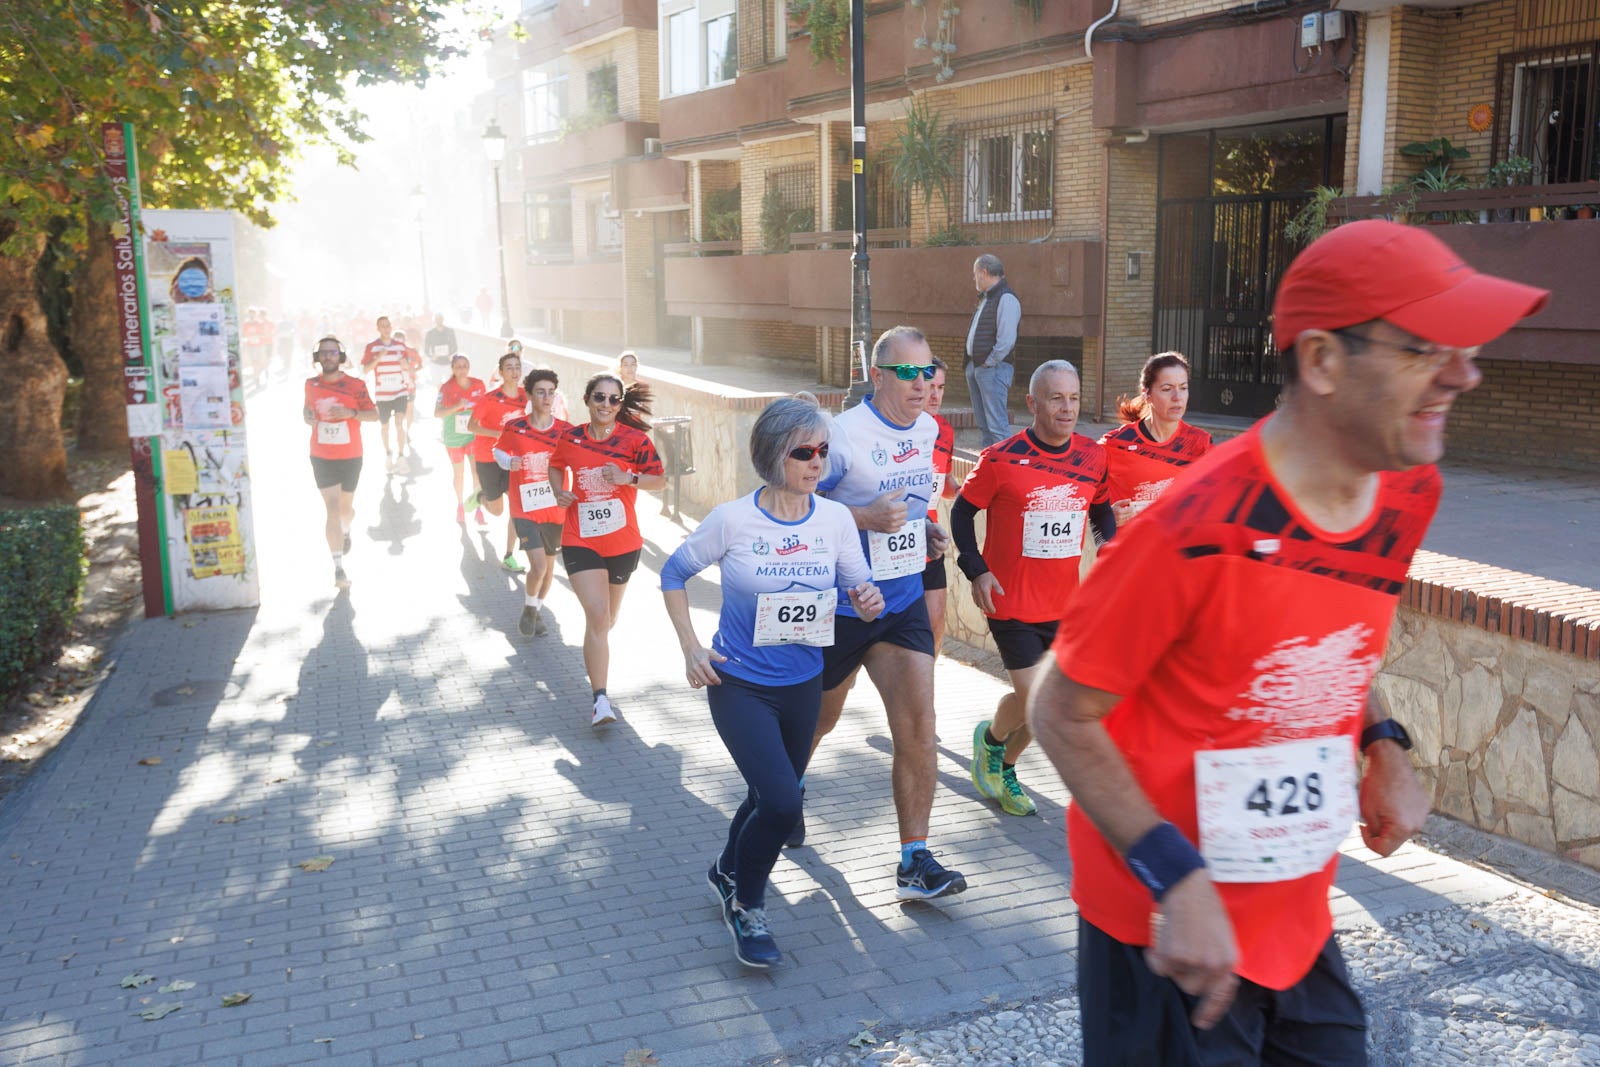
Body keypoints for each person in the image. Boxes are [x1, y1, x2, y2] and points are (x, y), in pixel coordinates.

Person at [1027, 219, 1548, 1065]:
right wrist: (1176, 873)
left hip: (1293, 913)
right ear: (1322, 361)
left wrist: (1385, 746)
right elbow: (1060, 710)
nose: (1464, 374)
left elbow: (1335, 633)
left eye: (1463, 347)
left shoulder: (1408, 488)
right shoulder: (1188, 529)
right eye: (1424, 348)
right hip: (1166, 930)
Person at [660, 397, 884, 968]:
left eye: (823, 452)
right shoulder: (734, 519)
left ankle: (724, 870)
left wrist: (868, 599)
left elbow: (859, 591)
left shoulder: (833, 519)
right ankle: (747, 906)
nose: (816, 462)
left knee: (768, 796)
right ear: (772, 455)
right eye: (803, 452)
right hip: (738, 683)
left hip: (804, 683)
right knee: (784, 804)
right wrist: (691, 646)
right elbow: (673, 573)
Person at [801, 325, 967, 901]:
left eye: (928, 373)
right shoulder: (841, 436)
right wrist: (865, 520)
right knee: (818, 719)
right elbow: (797, 507)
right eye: (910, 373)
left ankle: (913, 859)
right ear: (879, 376)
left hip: (900, 603)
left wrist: (923, 529)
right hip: (843, 606)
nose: (924, 384)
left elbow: (908, 501)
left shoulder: (927, 429)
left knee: (920, 729)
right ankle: (788, 788)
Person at [953, 360, 1115, 818]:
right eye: (1056, 398)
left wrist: (1111, 550)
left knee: (1041, 704)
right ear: (1033, 403)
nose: (1067, 409)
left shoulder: (1093, 457)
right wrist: (976, 569)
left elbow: (1100, 510)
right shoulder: (1000, 458)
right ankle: (994, 750)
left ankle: (998, 755)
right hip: (1010, 602)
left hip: (1065, 604)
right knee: (1042, 704)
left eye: (1074, 398)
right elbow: (962, 514)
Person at [550, 374, 665, 727]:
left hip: (623, 543)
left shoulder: (635, 441)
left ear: (620, 404)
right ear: (587, 399)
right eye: (599, 397)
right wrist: (559, 492)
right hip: (579, 539)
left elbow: (659, 479)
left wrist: (628, 478)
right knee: (598, 617)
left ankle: (597, 650)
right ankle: (601, 699)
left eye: (614, 399)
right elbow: (555, 465)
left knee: (608, 620)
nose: (606, 404)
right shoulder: (570, 437)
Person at [493, 367, 570, 637]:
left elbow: (584, 460)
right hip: (524, 507)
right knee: (537, 566)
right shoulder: (515, 427)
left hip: (555, 509)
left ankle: (534, 609)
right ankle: (528, 608)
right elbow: (498, 449)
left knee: (548, 569)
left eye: (551, 392)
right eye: (541, 392)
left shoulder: (565, 431)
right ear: (530, 395)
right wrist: (507, 461)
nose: (547, 397)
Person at [1099, 352, 1213, 526]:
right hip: (1132, 549)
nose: (1177, 397)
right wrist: (1107, 515)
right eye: (1167, 389)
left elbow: (1217, 502)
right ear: (1147, 394)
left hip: (1175, 549)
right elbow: (1083, 496)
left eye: (1183, 388)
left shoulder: (1200, 444)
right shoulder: (1116, 444)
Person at [302, 336, 378, 589]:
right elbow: (306, 411)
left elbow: (374, 415)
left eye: (332, 352)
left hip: (351, 455)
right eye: (323, 353)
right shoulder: (310, 384)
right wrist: (308, 416)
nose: (327, 357)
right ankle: (338, 568)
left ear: (341, 356)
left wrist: (352, 413)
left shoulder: (355, 385)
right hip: (321, 455)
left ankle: (346, 528)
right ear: (317, 357)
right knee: (332, 509)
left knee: (346, 510)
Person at [467, 351, 531, 571]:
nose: (514, 372)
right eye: (509, 368)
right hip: (488, 457)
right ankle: (481, 496)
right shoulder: (490, 398)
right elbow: (472, 426)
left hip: (513, 460)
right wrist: (500, 434)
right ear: (501, 372)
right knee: (497, 511)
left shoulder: (526, 397)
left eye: (517, 367)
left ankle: (509, 556)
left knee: (516, 508)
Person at [922, 357, 959, 658]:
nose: (935, 395)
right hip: (893, 549)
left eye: (941, 387)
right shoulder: (896, 430)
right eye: (930, 386)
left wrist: (963, 491)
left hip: (929, 546)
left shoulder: (944, 430)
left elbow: (944, 485)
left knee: (935, 627)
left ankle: (925, 697)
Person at [964, 254, 1021, 447]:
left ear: (984, 272)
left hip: (992, 369)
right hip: (979, 367)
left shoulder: (1006, 298)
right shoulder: (988, 298)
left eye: (975, 274)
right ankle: (989, 468)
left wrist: (988, 362)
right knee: (984, 425)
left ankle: (1008, 469)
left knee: (997, 426)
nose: (974, 279)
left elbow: (1006, 341)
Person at [435, 354, 488, 525]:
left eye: (465, 365)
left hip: (473, 436)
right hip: (453, 438)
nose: (462, 369)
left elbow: (486, 408)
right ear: (452, 369)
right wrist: (457, 407)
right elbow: (437, 413)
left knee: (476, 471)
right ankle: (459, 505)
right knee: (459, 474)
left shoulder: (479, 385)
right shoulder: (446, 388)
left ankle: (477, 507)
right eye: (458, 366)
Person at [361, 315, 414, 475]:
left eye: (388, 325)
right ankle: (388, 453)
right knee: (385, 426)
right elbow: (365, 369)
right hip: (383, 394)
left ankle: (401, 455)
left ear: (391, 327)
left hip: (399, 391)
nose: (386, 328)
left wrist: (405, 366)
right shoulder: (372, 347)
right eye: (382, 326)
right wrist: (378, 357)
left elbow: (408, 368)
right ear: (378, 329)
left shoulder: (399, 346)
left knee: (399, 423)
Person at [391, 328, 423, 446]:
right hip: (395, 386)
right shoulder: (389, 354)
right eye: (396, 340)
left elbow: (421, 365)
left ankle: (407, 432)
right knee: (398, 412)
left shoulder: (412, 351)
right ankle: (399, 432)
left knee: (409, 410)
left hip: (410, 386)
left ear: (405, 340)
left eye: (401, 340)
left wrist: (413, 370)